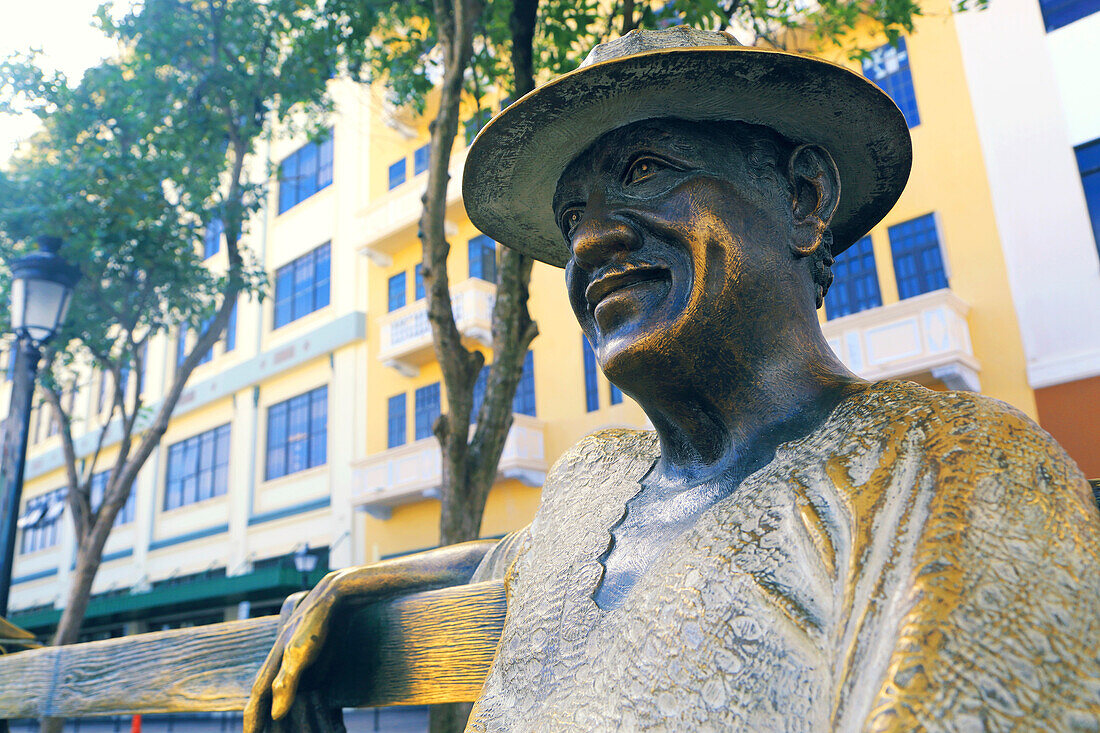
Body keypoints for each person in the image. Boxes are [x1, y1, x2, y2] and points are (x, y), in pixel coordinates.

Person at [245, 27, 1100, 732]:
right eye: (574, 214)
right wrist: (346, 584)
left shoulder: (948, 465)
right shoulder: (595, 484)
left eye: (646, 171)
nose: (586, 244)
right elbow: (496, 560)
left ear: (803, 198)